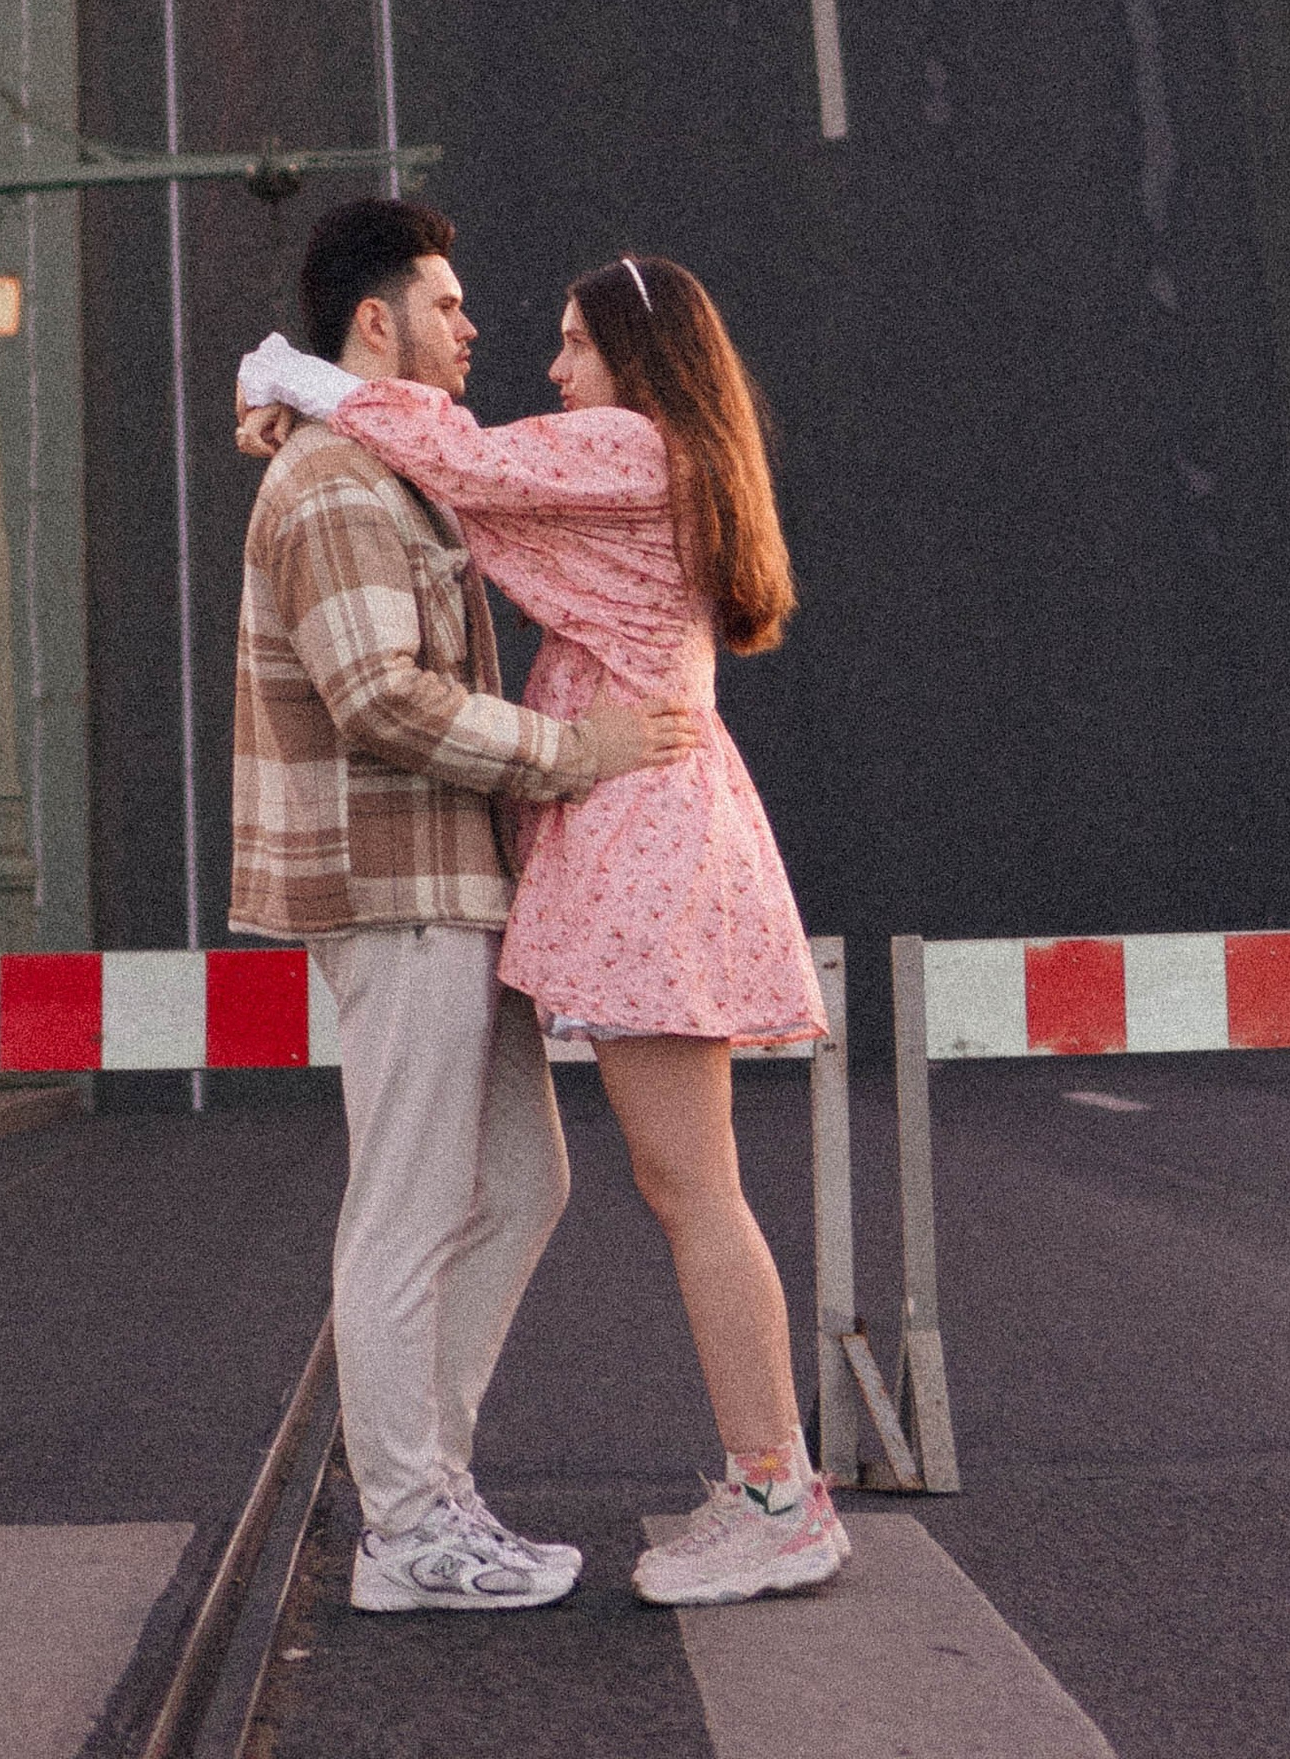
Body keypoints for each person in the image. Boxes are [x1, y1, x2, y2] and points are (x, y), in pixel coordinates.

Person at [237, 249, 848, 1608]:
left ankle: (777, 1494)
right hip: (637, 822)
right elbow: (476, 502)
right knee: (638, 1184)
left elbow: (474, 466)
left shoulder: (632, 444)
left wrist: (288, 376)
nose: (547, 366)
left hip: (638, 825)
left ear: (635, 358)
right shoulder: (652, 461)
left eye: (573, 343)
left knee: (694, 1189)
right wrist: (321, 417)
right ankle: (741, 1485)